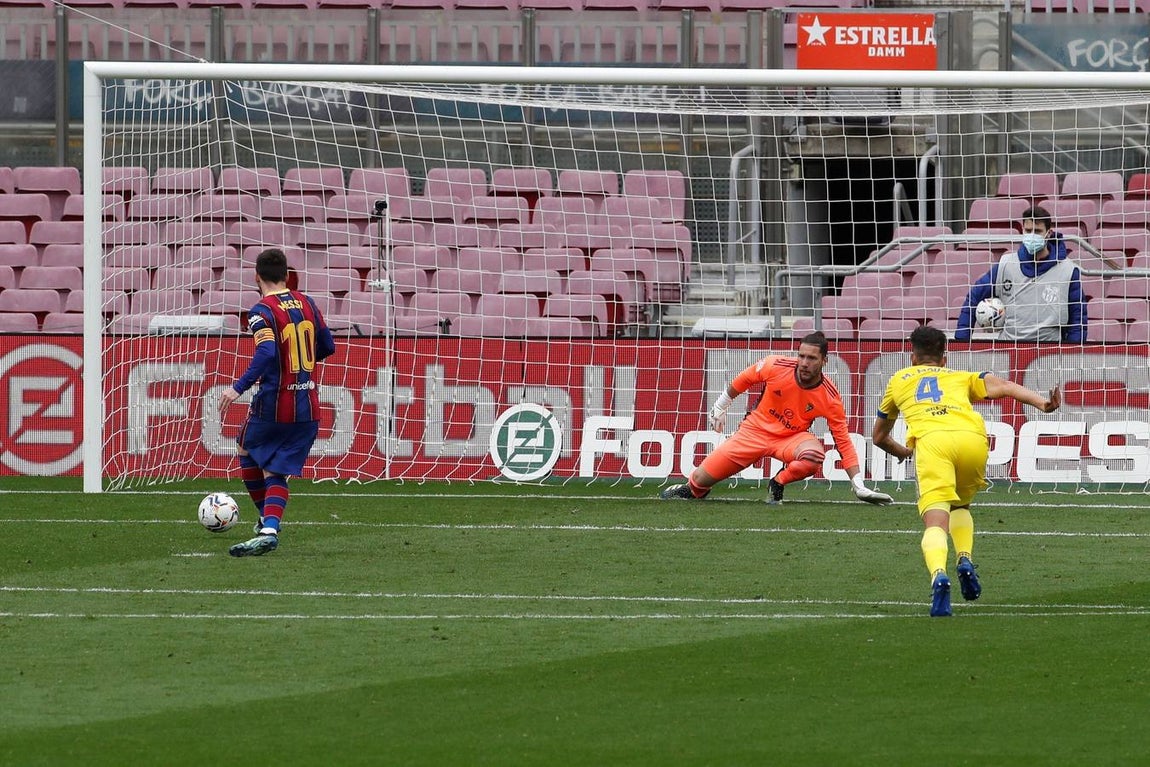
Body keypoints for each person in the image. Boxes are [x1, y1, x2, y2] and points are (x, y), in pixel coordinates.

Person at [871, 325, 1060, 617]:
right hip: (973, 439)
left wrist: (905, 452)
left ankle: (938, 576)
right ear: (944, 358)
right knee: (961, 504)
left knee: (935, 520)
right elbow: (1006, 386)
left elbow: (879, 436)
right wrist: (1043, 404)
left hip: (934, 443)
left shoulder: (899, 380)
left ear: (913, 357)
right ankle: (965, 559)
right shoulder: (960, 377)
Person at [660, 331, 893, 507]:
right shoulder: (775, 365)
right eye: (801, 355)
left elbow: (843, 441)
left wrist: (858, 485)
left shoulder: (830, 397)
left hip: (791, 438)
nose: (804, 362)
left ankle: (778, 482)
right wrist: (720, 406)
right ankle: (693, 489)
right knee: (699, 482)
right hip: (753, 433)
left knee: (813, 456)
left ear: (824, 361)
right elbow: (744, 379)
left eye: (811, 358)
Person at [218, 247, 336, 557]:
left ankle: (265, 520)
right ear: (287, 276)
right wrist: (300, 365)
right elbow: (327, 345)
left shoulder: (261, 311)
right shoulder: (308, 303)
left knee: (246, 449)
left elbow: (267, 352)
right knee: (275, 472)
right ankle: (269, 527)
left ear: (256, 277)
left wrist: (237, 387)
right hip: (308, 405)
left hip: (274, 403)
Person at [955, 205, 1087, 343]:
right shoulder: (1006, 264)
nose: (1032, 236)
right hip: (1008, 349)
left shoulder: (1068, 270)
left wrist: (1075, 353)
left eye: (1037, 231)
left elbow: (1078, 317)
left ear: (1049, 233)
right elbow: (974, 296)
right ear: (1022, 230)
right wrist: (962, 341)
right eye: (1028, 231)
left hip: (1050, 353)